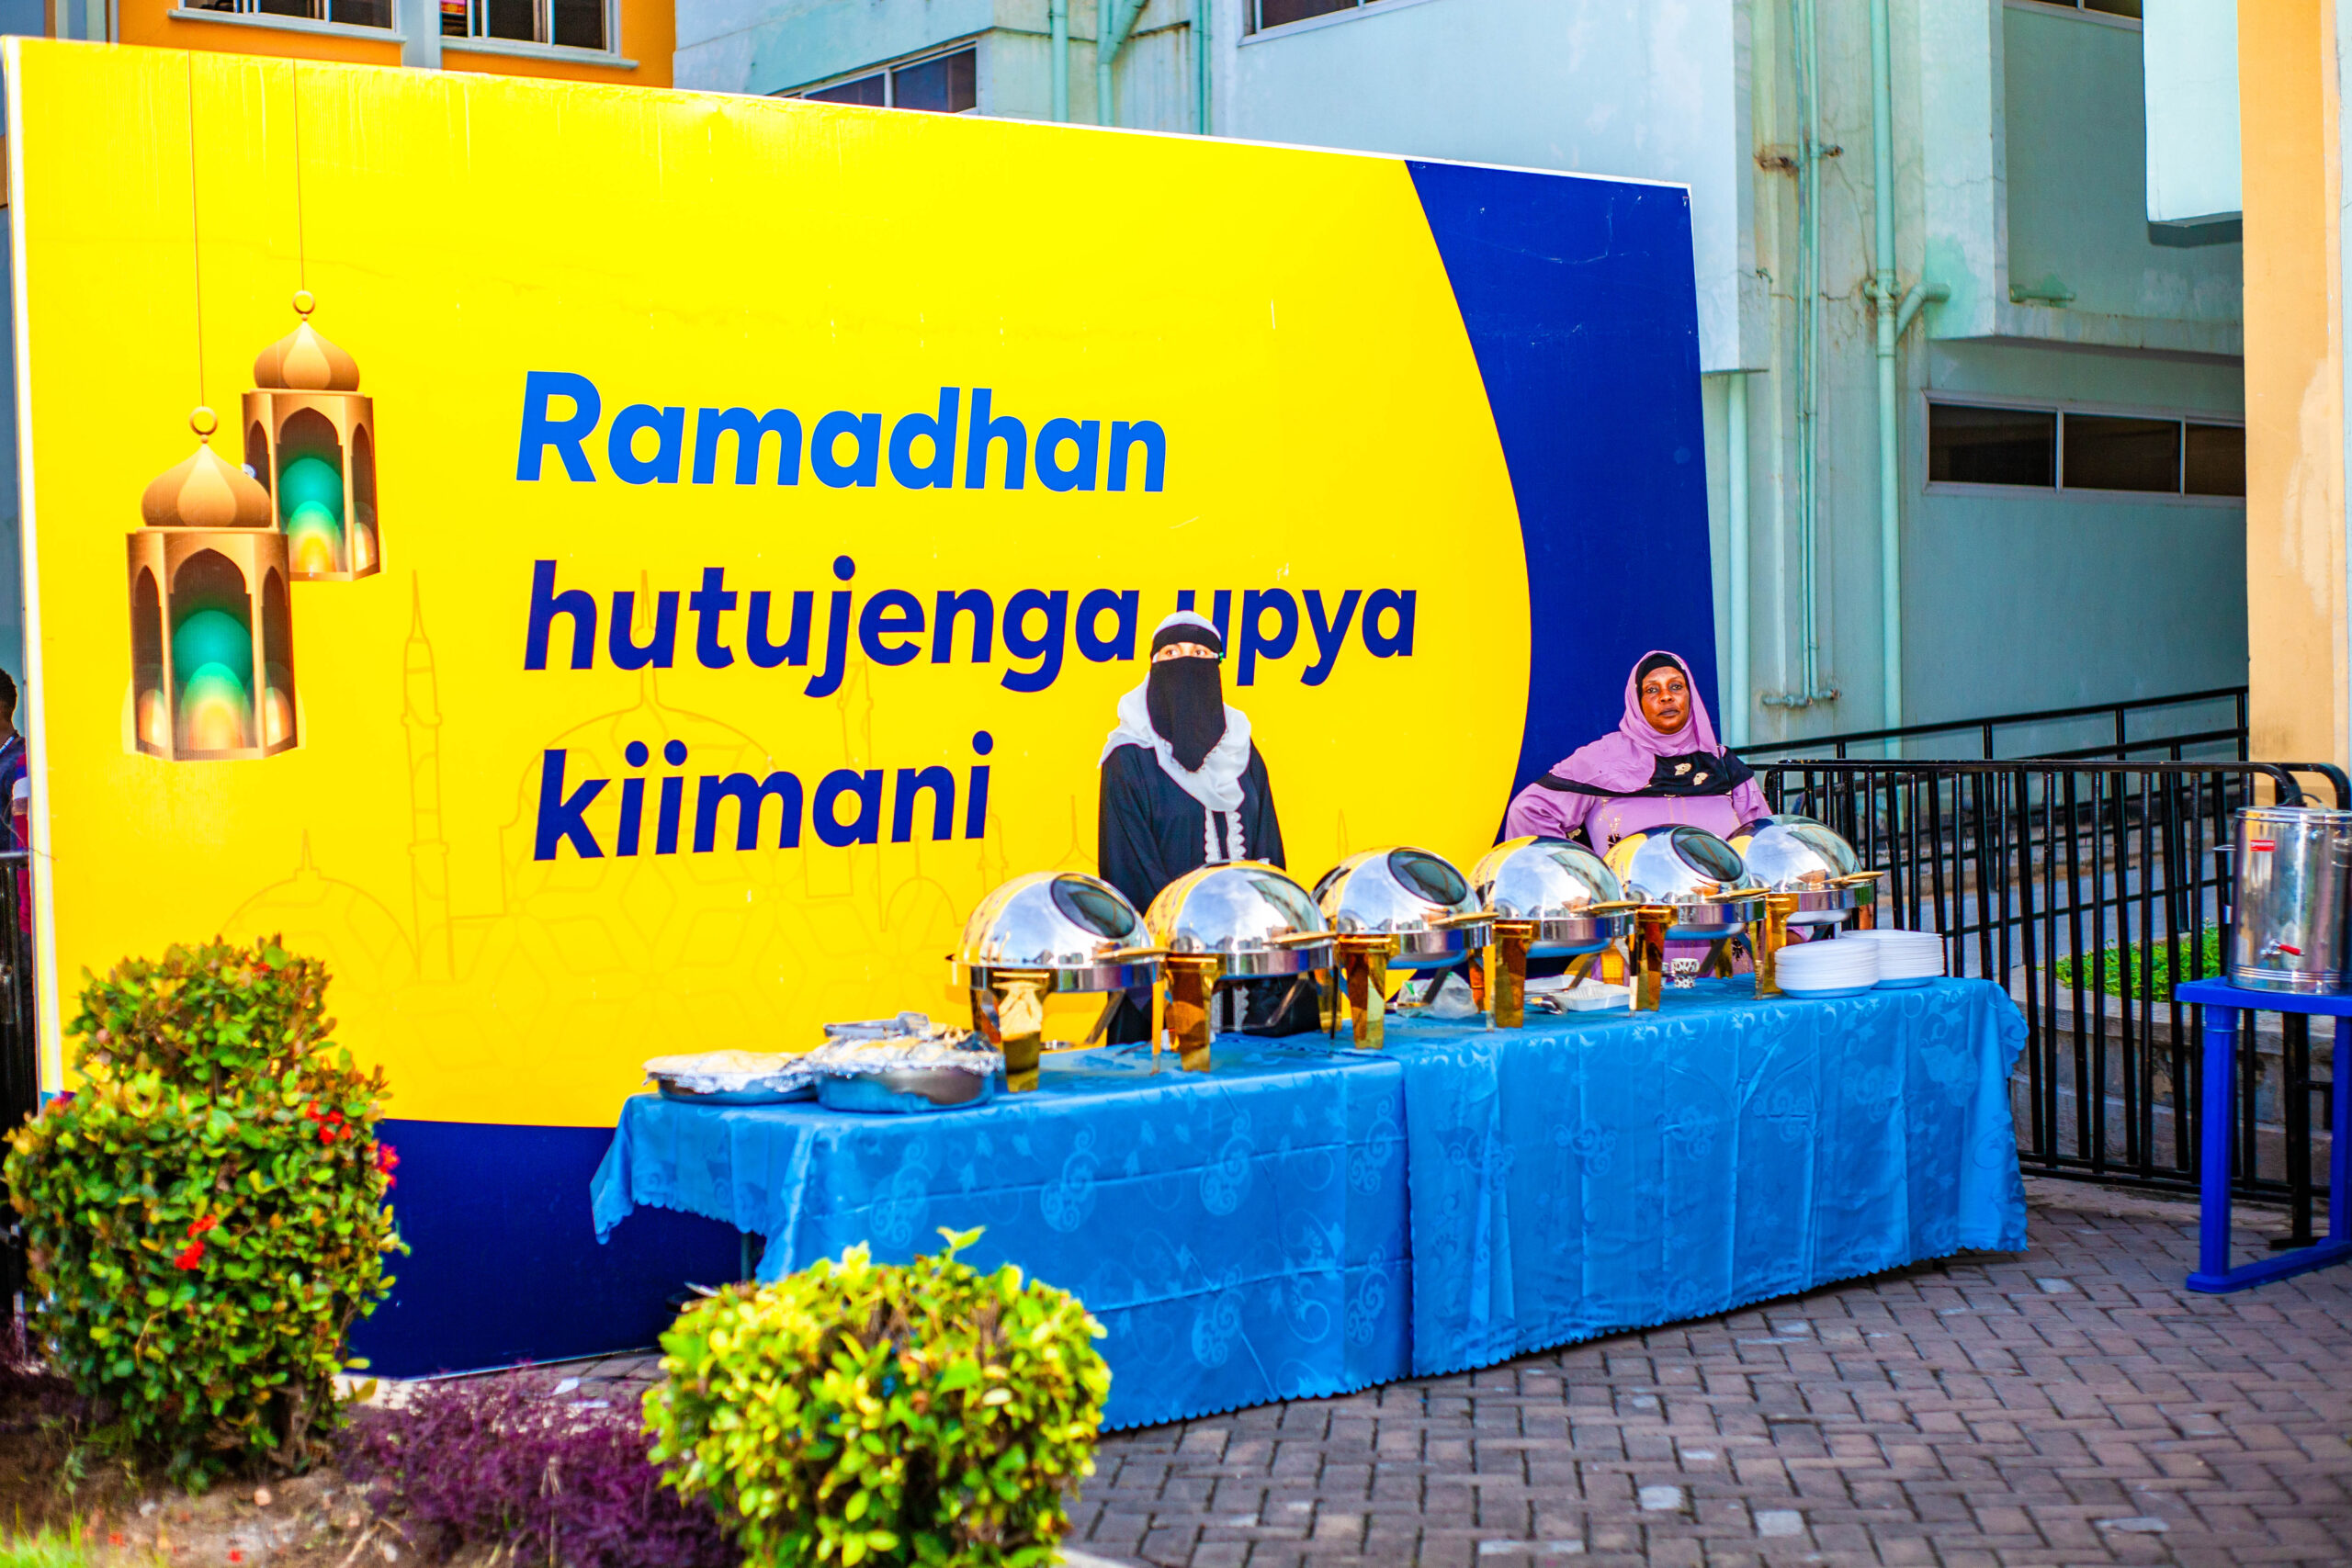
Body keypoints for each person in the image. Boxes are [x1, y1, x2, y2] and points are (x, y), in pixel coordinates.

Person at [1098, 611, 1309, 1040]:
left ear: (1217, 667)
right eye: (1171, 653)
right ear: (1152, 666)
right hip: (1166, 973)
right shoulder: (1129, 759)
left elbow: (1269, 857)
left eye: (1199, 653)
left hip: (1250, 971)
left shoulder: (1242, 750)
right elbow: (1128, 873)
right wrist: (1186, 953)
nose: (1185, 663)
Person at [1504, 650, 1767, 856]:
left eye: (1676, 686)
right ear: (1636, 701)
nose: (1666, 697)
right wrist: (1586, 877)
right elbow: (1529, 811)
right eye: (1652, 690)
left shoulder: (1722, 764)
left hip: (1717, 906)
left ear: (1691, 696)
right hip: (1633, 906)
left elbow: (1763, 841)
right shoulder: (1603, 759)